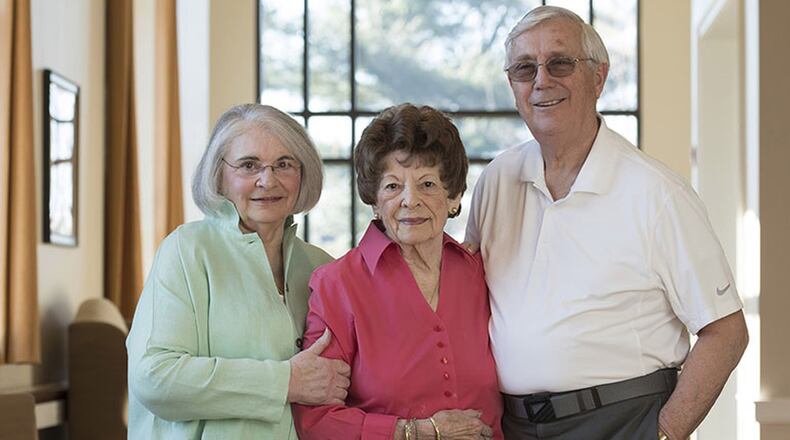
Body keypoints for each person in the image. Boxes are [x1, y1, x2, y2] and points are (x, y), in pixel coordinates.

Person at [465, 6, 748, 440]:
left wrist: (664, 433)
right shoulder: (497, 180)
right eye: (525, 69)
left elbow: (725, 332)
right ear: (512, 85)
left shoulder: (658, 194)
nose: (541, 80)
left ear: (598, 77)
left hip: (623, 422)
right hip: (514, 425)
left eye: (560, 63)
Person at [126, 103, 351, 439]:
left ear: (302, 174)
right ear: (219, 175)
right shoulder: (187, 250)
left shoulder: (323, 266)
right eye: (249, 165)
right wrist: (286, 382)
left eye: (284, 164)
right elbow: (155, 377)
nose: (267, 180)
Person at [292, 103, 503, 440]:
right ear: (374, 201)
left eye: (428, 184)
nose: (410, 200)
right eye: (392, 186)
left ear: (454, 195)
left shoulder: (481, 272)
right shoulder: (338, 285)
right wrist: (417, 432)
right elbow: (315, 420)